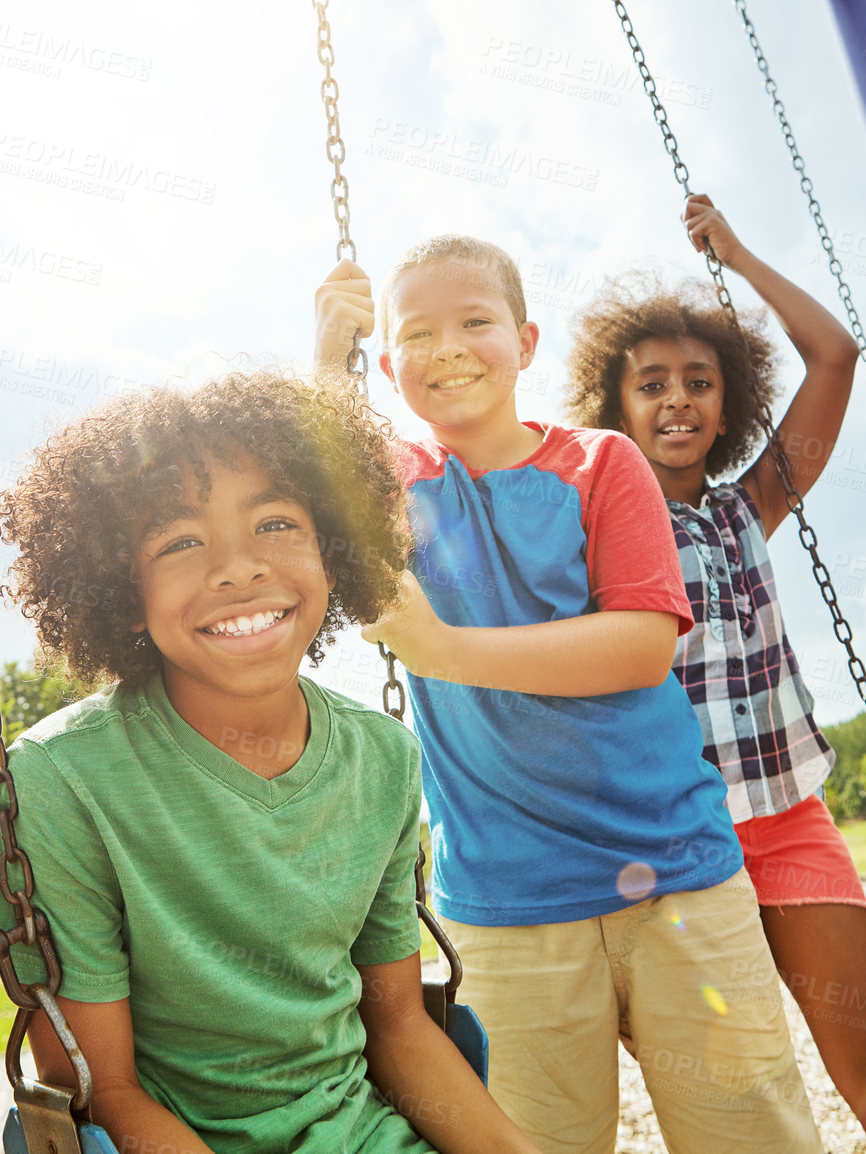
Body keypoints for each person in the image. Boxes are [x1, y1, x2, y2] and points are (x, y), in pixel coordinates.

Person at [315, 235, 823, 1153]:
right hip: (504, 898)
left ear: (528, 340)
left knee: (752, 1133)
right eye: (417, 334)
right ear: (387, 366)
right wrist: (324, 361)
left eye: (477, 321)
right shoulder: (393, 487)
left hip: (676, 871)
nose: (450, 347)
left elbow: (636, 646)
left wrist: (441, 647)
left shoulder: (600, 464)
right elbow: (312, 477)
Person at [0, 372, 537, 1154]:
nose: (237, 567)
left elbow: (399, 1026)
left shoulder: (383, 758)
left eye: (275, 523)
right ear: (123, 590)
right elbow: (104, 1091)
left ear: (334, 552)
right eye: (180, 541)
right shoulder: (61, 780)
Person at [562, 195, 866, 1154]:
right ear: (615, 407)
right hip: (665, 836)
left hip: (786, 820)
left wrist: (736, 254)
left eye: (699, 382)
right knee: (731, 1104)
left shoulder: (753, 504)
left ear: (727, 403)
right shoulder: (576, 524)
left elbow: (835, 357)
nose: (677, 401)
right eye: (650, 384)